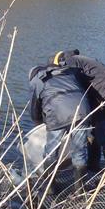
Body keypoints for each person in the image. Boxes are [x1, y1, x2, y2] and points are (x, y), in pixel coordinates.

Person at [50, 49, 105, 171]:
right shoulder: (80, 60)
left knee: (103, 135)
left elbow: (73, 88)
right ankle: (93, 166)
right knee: (94, 131)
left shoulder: (70, 63)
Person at [28, 60, 91, 191]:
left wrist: (39, 122)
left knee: (51, 151)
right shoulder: (68, 74)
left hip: (57, 115)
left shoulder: (37, 81)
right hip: (82, 112)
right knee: (80, 151)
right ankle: (80, 189)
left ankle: (50, 187)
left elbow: (34, 107)